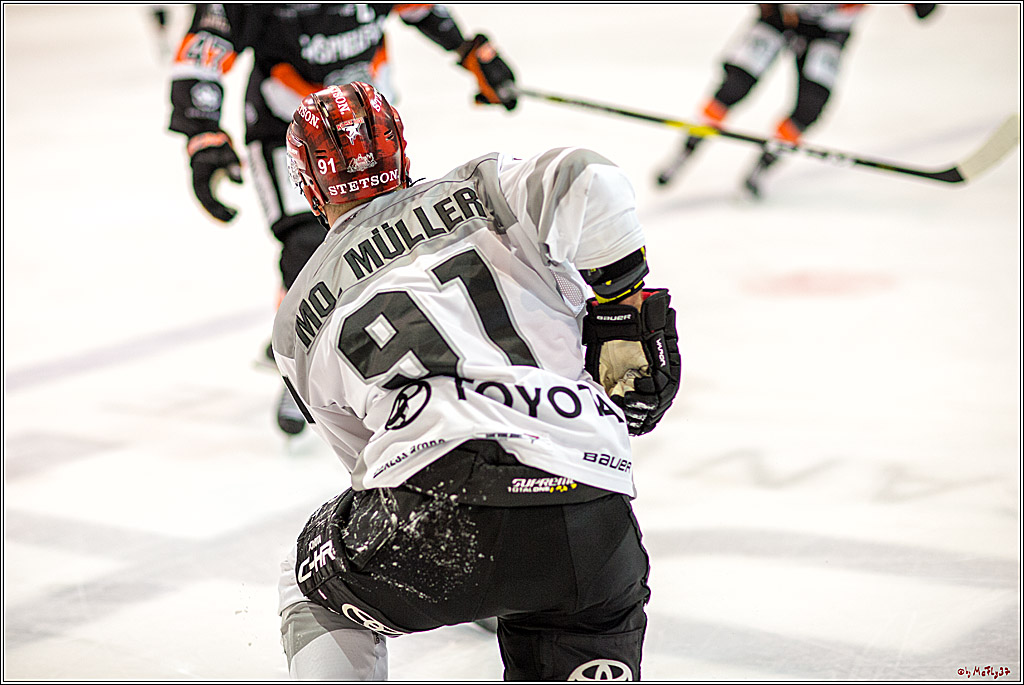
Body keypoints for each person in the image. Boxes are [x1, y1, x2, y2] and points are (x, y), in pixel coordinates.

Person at [271, 82, 682, 679]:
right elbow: (589, 177)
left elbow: (367, 466)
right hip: (590, 512)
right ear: (400, 151)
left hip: (434, 511)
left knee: (308, 580)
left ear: (308, 184)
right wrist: (624, 301)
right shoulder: (484, 187)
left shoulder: (296, 320)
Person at [167, 4, 518, 436]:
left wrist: (471, 52)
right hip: (288, 135)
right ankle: (307, 357)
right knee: (306, 250)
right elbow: (204, 51)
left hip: (368, 132)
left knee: (385, 236)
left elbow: (423, 11)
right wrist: (202, 132)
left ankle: (386, 339)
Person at [655, 3, 938, 197]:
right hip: (780, 18)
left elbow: (925, 11)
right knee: (734, 87)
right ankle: (686, 151)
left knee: (810, 106)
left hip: (828, 32)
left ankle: (764, 165)